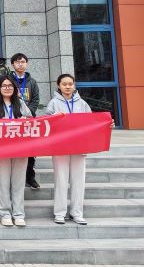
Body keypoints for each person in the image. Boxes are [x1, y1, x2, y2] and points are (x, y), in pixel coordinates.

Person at [0, 76, 33, 227]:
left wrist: (25, 120)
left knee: (18, 183)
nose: (7, 88)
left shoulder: (21, 103)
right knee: (3, 182)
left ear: (14, 88)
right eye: (4, 86)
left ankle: (18, 213)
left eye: (10, 86)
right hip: (1, 149)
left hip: (20, 148)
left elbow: (31, 121)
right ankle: (5, 213)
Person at [46, 74, 92, 226]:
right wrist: (54, 117)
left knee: (78, 181)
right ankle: (59, 213)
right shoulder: (53, 103)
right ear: (58, 86)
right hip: (60, 146)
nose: (67, 87)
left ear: (74, 85)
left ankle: (77, 213)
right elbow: (46, 123)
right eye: (64, 84)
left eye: (70, 84)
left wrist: (106, 124)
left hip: (79, 145)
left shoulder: (82, 103)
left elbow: (91, 123)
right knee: (61, 179)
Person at [10, 53, 41, 189]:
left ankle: (30, 177)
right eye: (17, 62)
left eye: (23, 62)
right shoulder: (8, 80)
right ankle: (13, 178)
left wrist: (28, 114)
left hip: (28, 122)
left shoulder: (32, 82)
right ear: (13, 64)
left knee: (30, 150)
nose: (20, 64)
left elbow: (35, 100)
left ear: (26, 64)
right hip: (13, 121)